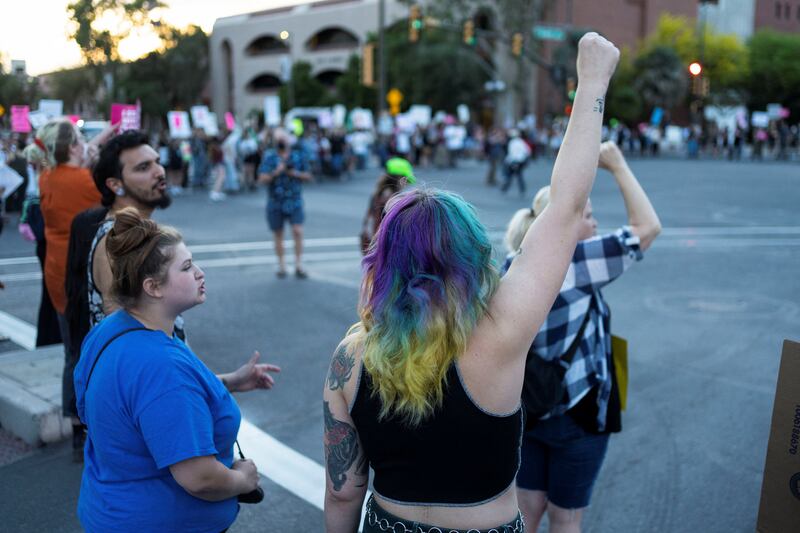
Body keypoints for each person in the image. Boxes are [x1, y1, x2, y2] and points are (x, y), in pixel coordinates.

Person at [322, 32, 620, 533]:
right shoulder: (500, 332)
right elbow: (566, 208)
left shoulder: (349, 358)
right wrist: (592, 80)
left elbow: (342, 494)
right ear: (471, 257)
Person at [74, 208, 279, 532]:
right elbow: (199, 478)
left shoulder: (111, 329)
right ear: (153, 287)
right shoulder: (161, 366)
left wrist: (230, 381)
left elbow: (141, 403)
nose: (199, 272)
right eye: (186, 267)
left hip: (108, 510)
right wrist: (242, 479)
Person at [503, 141, 661, 533]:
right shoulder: (576, 262)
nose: (594, 225)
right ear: (564, 222)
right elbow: (647, 227)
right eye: (587, 216)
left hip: (528, 409)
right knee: (566, 519)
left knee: (526, 508)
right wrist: (618, 165)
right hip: (578, 410)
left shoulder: (511, 264)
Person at [28, 118, 117, 453]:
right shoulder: (83, 181)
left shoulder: (47, 176)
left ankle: (76, 425)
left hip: (56, 274)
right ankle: (97, 421)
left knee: (71, 352)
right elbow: (109, 194)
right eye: (81, 139)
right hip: (81, 272)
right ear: (73, 147)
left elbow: (87, 152)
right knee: (91, 350)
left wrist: (106, 133)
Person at [257, 138, 313, 279]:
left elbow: (308, 175)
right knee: (278, 233)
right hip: (275, 201)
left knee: (297, 230)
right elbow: (261, 179)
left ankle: (299, 264)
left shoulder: (297, 156)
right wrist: (277, 172)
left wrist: (294, 173)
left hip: (294, 200)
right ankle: (282, 265)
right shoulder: (270, 157)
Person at [359, 157, 416, 255]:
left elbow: (368, 220)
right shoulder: (391, 198)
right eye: (406, 180)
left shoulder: (379, 193)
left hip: (376, 245)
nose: (407, 184)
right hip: (385, 246)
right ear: (399, 178)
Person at [501, 129, 532, 195]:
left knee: (510, 175)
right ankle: (522, 189)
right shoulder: (521, 141)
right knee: (518, 175)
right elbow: (528, 151)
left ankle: (505, 188)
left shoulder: (512, 142)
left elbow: (512, 154)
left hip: (514, 161)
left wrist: (509, 161)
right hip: (520, 161)